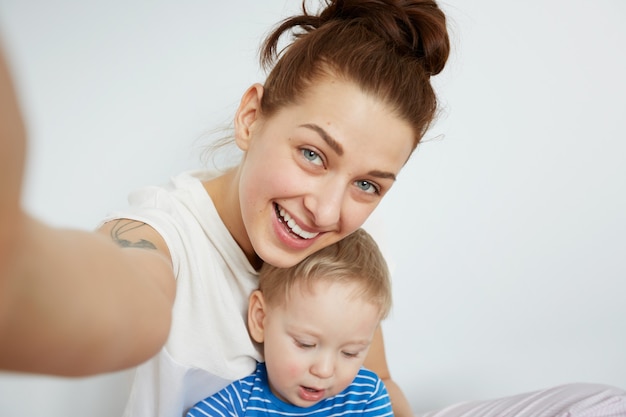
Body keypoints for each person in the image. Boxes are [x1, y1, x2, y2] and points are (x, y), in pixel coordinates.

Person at [1, 1, 625, 417]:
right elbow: (112, 299)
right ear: (253, 116)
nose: (327, 212)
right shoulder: (159, 241)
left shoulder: (331, 256)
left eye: (368, 186)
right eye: (313, 154)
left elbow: (383, 394)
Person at [187, 228, 394, 416]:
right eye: (306, 344)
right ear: (261, 319)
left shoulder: (366, 398)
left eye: (350, 353)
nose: (324, 370)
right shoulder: (235, 404)